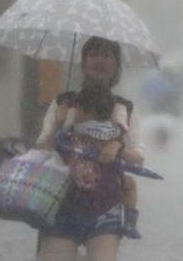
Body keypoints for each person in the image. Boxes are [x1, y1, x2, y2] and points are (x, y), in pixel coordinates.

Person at [35, 36, 144, 261]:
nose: (100, 61)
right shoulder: (63, 104)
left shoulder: (124, 108)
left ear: (116, 66)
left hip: (106, 207)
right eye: (94, 55)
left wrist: (118, 147)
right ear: (83, 63)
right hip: (61, 205)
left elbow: (138, 157)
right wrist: (57, 123)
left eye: (107, 56)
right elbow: (41, 150)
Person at [53, 84, 142, 240]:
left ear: (85, 111)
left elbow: (59, 144)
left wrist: (61, 124)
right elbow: (129, 150)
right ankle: (129, 224)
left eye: (78, 109)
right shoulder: (114, 132)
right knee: (130, 184)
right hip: (104, 189)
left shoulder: (76, 130)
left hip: (76, 184)